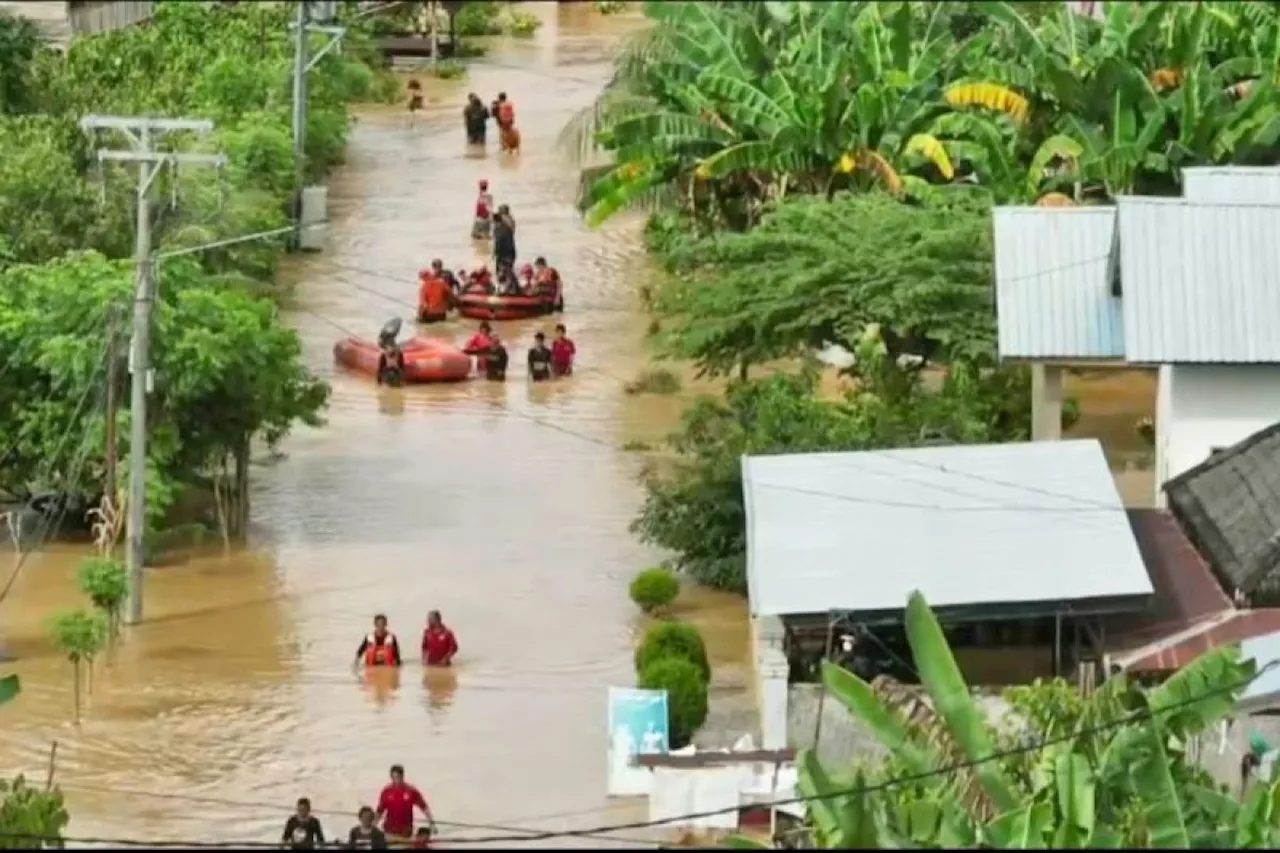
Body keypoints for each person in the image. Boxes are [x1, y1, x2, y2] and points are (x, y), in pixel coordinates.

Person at [376, 764, 434, 840]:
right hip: (389, 830)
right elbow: (379, 811)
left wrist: (431, 823)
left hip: (406, 831)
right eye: (393, 777)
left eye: (398, 777)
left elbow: (424, 808)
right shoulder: (386, 791)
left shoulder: (411, 790)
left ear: (402, 776)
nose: (396, 780)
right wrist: (373, 826)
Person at [375, 318, 405, 387]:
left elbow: (402, 367)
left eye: (392, 347)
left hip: (396, 374)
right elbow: (380, 370)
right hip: (389, 375)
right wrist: (379, 382)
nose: (390, 350)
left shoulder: (399, 354)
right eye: (389, 347)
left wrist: (402, 379)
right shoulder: (384, 356)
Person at [493, 205, 516, 274]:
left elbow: (498, 242)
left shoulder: (500, 228)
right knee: (508, 272)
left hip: (503, 253)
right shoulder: (510, 222)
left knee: (502, 273)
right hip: (510, 251)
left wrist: (495, 252)